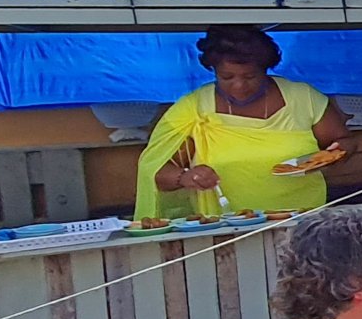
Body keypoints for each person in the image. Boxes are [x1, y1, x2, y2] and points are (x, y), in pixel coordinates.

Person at [134, 25, 349, 219]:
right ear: (213, 70)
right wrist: (185, 177)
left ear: (265, 69)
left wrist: (334, 155)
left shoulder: (304, 98)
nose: (239, 85)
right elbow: (155, 169)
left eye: (250, 76)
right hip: (226, 226)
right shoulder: (194, 109)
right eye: (227, 77)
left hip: (305, 220)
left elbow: (343, 142)